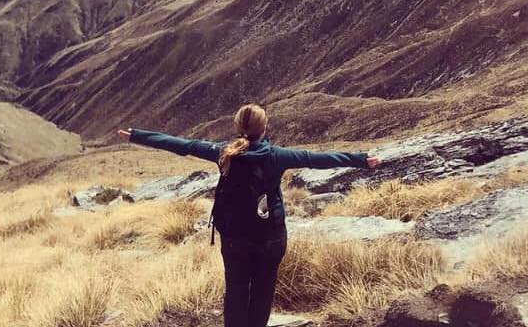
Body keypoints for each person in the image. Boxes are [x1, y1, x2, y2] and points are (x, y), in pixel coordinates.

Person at [118, 103, 380, 327]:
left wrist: (138, 136)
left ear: (237, 127)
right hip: (271, 236)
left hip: (235, 237)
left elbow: (182, 145)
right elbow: (318, 159)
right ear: (264, 128)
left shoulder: (223, 152)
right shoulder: (277, 156)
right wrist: (360, 159)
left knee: (236, 290)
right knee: (264, 290)